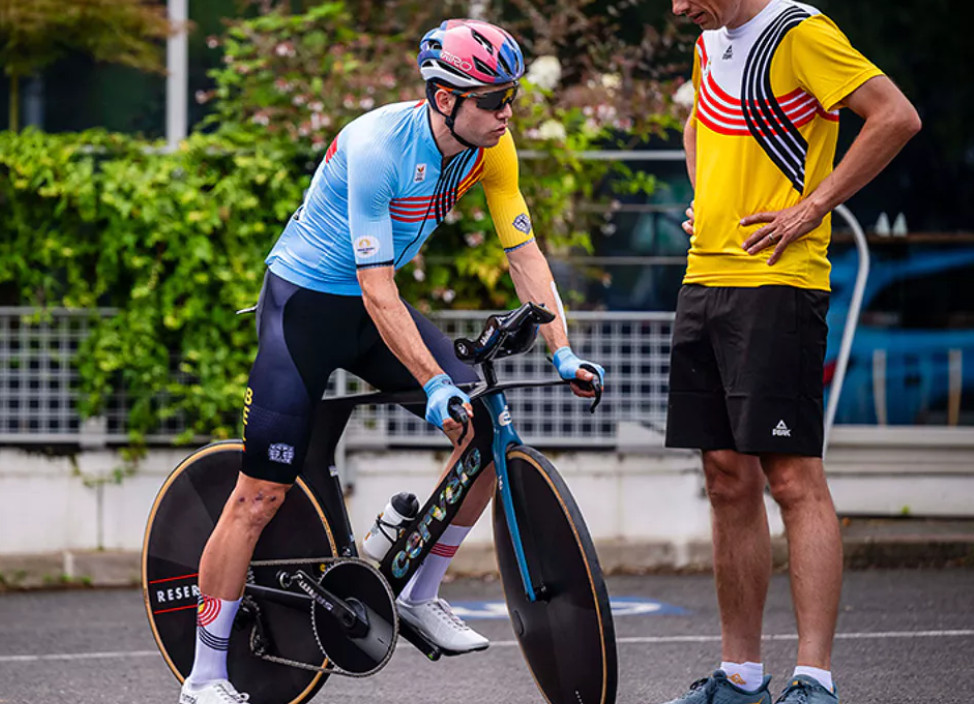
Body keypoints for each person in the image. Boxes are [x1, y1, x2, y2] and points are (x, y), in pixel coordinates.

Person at [177, 18, 604, 704]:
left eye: (511, 98)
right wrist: (433, 382)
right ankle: (204, 675)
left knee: (486, 431)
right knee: (259, 497)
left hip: (373, 312)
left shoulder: (492, 148)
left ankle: (419, 592)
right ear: (444, 99)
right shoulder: (377, 146)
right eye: (493, 100)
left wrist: (564, 349)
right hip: (306, 311)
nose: (506, 114)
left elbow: (522, 252)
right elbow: (377, 290)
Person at [662, 1, 920, 703]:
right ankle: (741, 677)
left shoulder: (800, 33)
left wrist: (814, 205)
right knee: (723, 476)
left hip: (779, 283)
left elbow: (895, 115)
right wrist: (705, 198)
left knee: (792, 478)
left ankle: (814, 681)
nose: (680, 7)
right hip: (706, 275)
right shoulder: (710, 39)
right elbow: (698, 125)